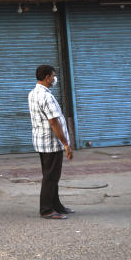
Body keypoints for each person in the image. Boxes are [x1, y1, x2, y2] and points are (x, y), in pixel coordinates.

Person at [27, 65, 74, 220]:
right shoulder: (46, 97)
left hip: (41, 141)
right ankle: (46, 209)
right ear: (47, 77)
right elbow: (54, 122)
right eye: (53, 76)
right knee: (51, 177)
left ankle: (56, 205)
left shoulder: (33, 93)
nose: (55, 79)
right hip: (51, 143)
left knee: (51, 175)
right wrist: (66, 143)